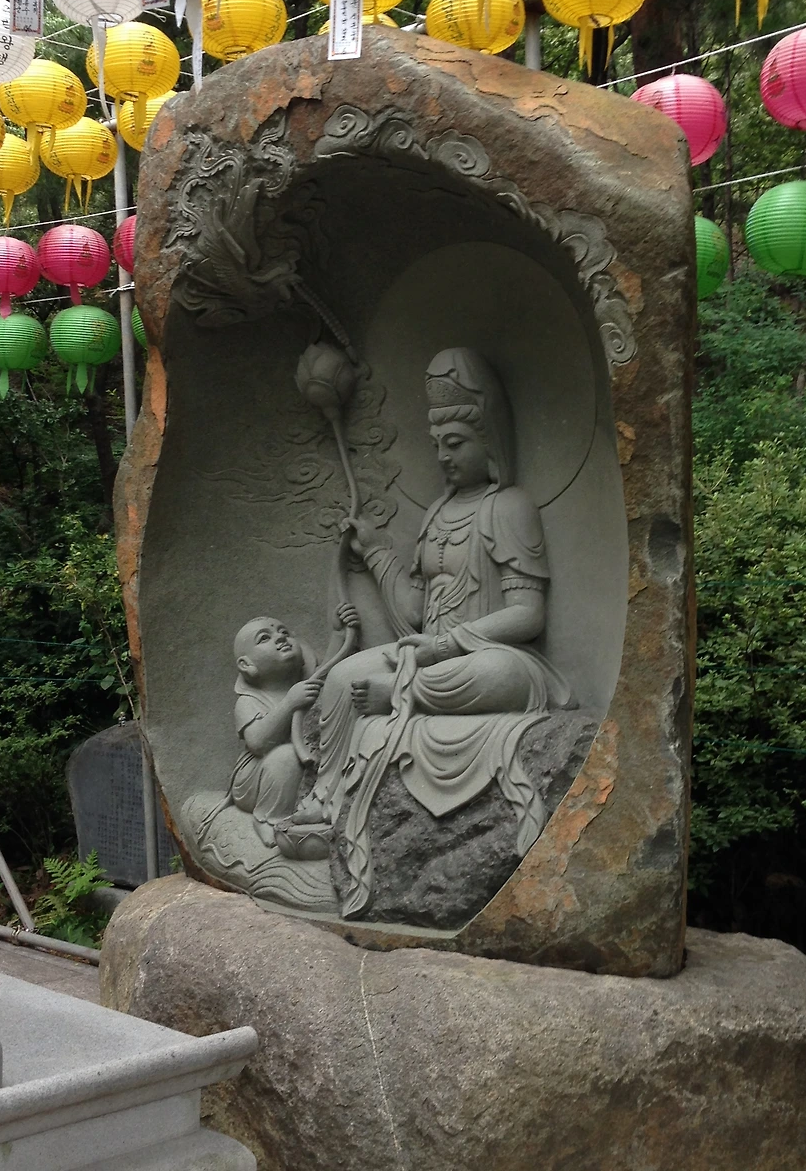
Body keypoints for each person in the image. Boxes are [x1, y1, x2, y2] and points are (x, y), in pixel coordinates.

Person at [295, 348, 571, 914]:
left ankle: (404, 697)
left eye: (457, 443)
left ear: (489, 443)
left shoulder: (509, 507)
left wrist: (444, 647)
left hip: (485, 658)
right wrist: (376, 551)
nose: (444, 456)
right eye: (438, 443)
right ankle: (326, 797)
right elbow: (415, 614)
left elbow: (527, 614)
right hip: (424, 653)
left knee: (495, 671)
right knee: (343, 677)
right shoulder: (435, 516)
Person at [227, 604, 358, 856]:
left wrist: (341, 632)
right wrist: (289, 703)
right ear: (247, 665)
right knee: (286, 757)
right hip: (257, 778)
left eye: (283, 632)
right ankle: (268, 818)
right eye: (264, 638)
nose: (280, 638)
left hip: (307, 769)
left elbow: (333, 667)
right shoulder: (248, 701)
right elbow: (257, 741)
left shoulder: (309, 682)